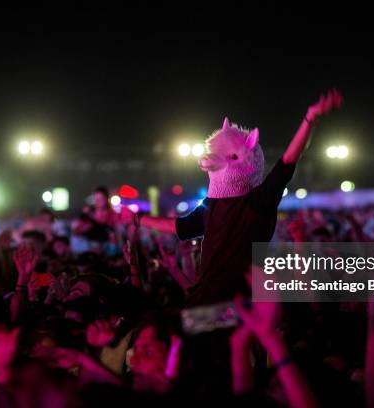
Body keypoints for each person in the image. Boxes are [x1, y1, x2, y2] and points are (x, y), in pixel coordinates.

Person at [127, 90, 343, 305]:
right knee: (172, 336)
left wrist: (309, 118)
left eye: (229, 156)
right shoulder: (211, 205)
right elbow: (181, 226)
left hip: (239, 306)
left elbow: (287, 162)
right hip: (203, 299)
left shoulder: (258, 201)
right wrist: (138, 219)